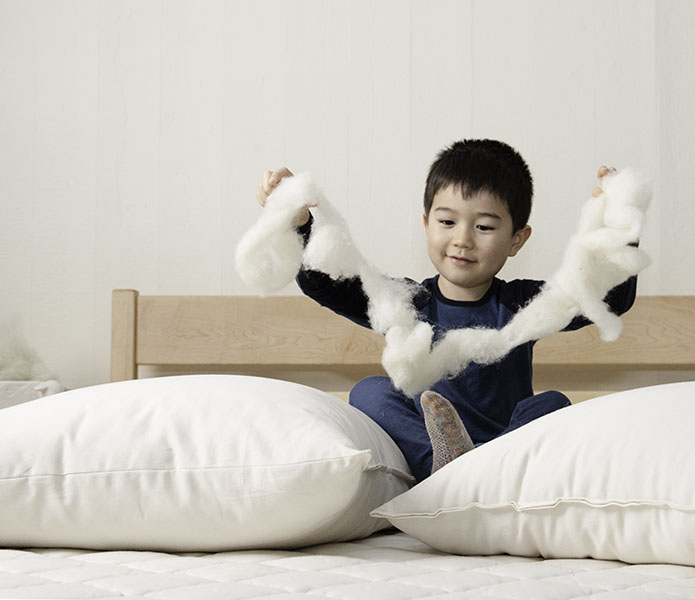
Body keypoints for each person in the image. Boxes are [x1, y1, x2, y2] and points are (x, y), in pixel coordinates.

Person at [257, 139, 636, 482]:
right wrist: (299, 223)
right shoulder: (408, 302)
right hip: (431, 452)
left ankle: (479, 472)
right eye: (447, 222)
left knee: (552, 404)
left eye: (484, 226)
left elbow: (608, 299)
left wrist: (621, 227)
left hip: (504, 448)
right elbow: (324, 283)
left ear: (517, 240)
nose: (462, 239)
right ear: (427, 225)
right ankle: (444, 469)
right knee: (369, 391)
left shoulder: (521, 304)